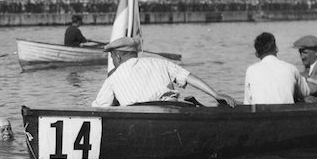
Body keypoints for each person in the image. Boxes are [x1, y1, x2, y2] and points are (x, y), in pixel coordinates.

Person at [91, 36, 236, 107]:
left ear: (117, 56)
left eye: (112, 57)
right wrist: (215, 94)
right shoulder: (161, 62)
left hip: (139, 117)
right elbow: (189, 77)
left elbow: (99, 108)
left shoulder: (113, 78)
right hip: (172, 110)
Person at [244, 32, 310, 104]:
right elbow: (305, 92)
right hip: (287, 113)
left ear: (257, 54)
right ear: (276, 49)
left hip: (261, 114)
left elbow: (247, 102)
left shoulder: (251, 71)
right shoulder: (291, 68)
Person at [292, 34, 317, 102]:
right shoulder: (309, 66)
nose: (302, 57)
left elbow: (313, 88)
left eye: (305, 53)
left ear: (316, 52)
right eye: (300, 53)